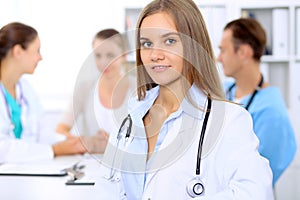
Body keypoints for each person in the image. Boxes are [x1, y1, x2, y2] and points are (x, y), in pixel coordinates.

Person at [100, 0, 274, 199]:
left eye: (169, 41)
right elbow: (105, 190)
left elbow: (256, 192)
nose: (155, 55)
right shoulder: (129, 120)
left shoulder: (229, 120)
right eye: (147, 43)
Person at [217, 18, 297, 186]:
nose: (219, 58)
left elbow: (259, 180)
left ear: (243, 52)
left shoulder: (271, 110)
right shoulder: (222, 92)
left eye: (223, 50)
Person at [0, 22, 87, 163]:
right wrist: (55, 150)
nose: (40, 57)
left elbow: (41, 131)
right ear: (18, 52)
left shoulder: (25, 89)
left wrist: (70, 141)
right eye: (37, 51)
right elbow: (3, 149)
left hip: (20, 171)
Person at [55, 28, 136, 153]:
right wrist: (84, 142)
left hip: (126, 165)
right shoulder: (84, 89)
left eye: (110, 55)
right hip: (89, 166)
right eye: (98, 55)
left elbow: (149, 138)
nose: (103, 62)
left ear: (124, 56)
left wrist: (114, 142)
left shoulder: (137, 88)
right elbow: (60, 130)